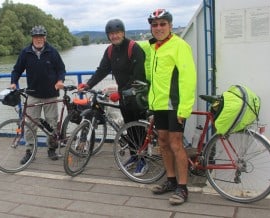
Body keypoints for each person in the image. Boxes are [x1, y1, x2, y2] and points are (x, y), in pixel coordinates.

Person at [140, 9, 197, 205]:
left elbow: (188, 78)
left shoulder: (179, 46)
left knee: (175, 144)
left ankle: (182, 188)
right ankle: (171, 181)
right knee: (163, 142)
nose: (158, 28)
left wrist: (184, 109)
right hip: (160, 104)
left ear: (170, 26)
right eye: (154, 25)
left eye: (163, 24)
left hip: (175, 105)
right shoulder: (154, 47)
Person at [78, 19, 148, 176]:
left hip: (137, 95)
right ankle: (134, 156)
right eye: (111, 34)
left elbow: (139, 78)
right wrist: (88, 85)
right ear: (108, 36)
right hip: (124, 95)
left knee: (138, 128)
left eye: (117, 33)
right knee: (129, 127)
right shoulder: (110, 51)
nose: (114, 36)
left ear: (123, 32)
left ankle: (143, 161)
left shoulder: (133, 48)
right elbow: (102, 70)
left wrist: (121, 93)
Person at [10, 25, 66, 163]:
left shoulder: (52, 52)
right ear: (32, 38)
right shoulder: (25, 52)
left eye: (41, 37)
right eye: (36, 37)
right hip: (33, 94)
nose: (39, 39)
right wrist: (13, 82)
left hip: (51, 94)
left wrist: (60, 80)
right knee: (30, 124)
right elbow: (17, 70)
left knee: (51, 123)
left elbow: (61, 69)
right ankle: (30, 151)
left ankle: (51, 148)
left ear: (45, 38)